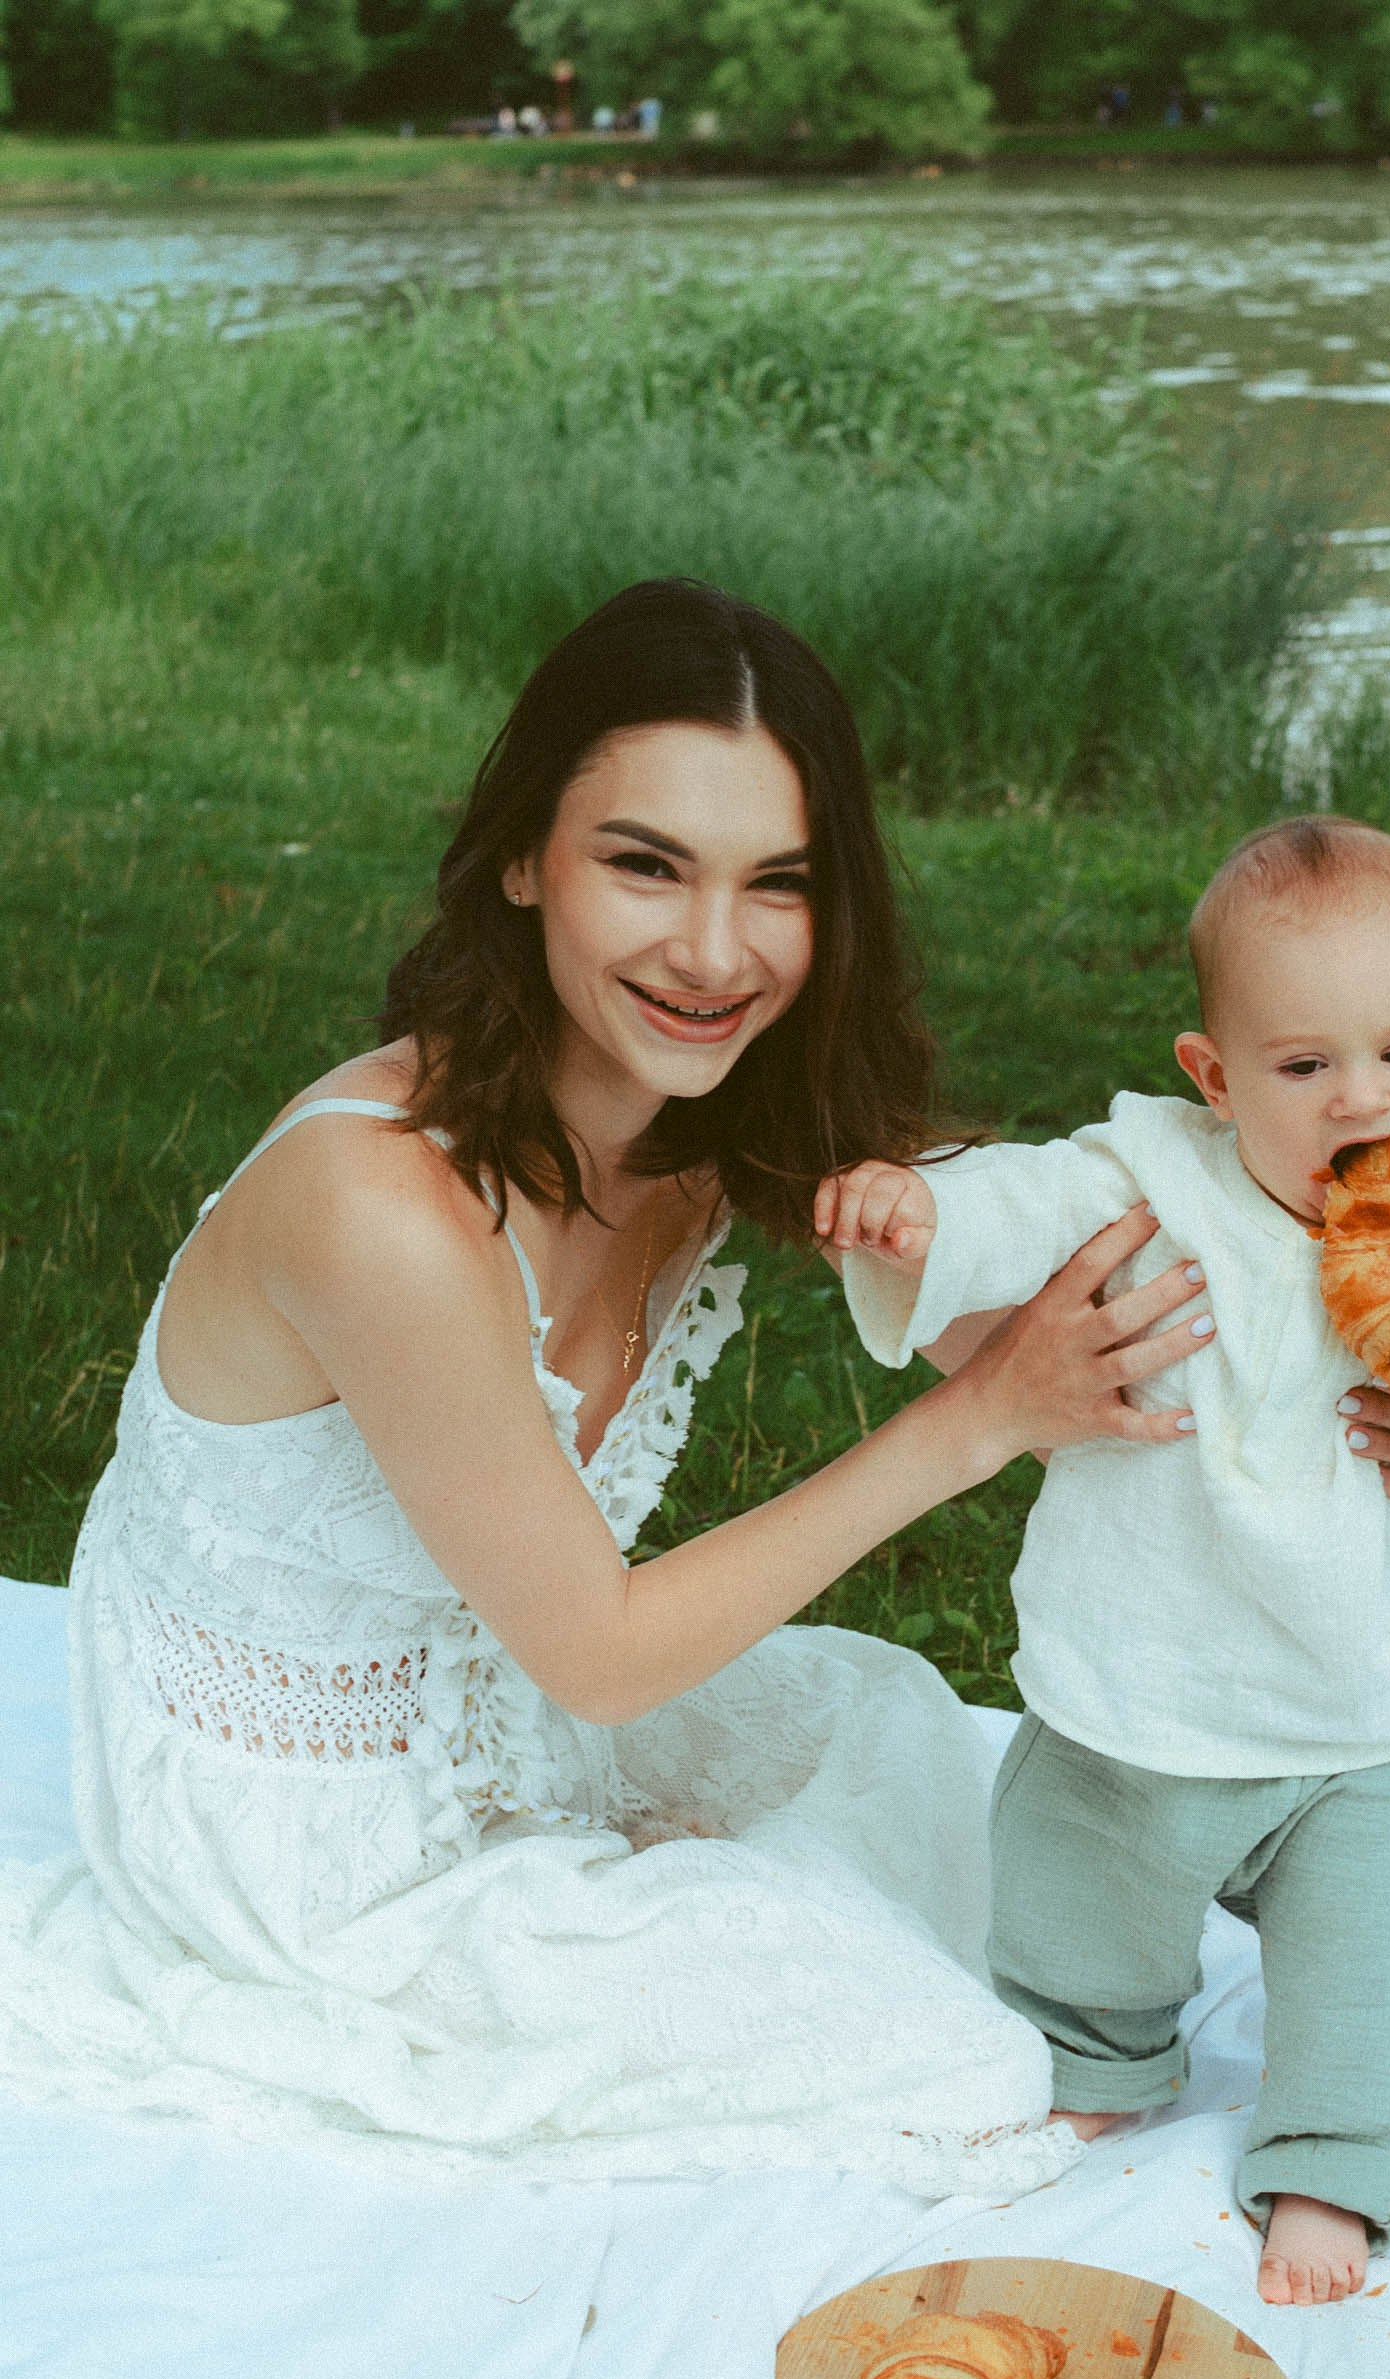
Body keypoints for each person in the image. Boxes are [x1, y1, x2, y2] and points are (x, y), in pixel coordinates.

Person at [0, 580, 1215, 2198]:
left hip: (509, 1729)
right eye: (646, 865)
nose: (712, 953)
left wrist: (1367, 1411)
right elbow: (602, 1654)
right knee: (951, 2053)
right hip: (300, 1844)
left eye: (776, 884)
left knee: (894, 1734)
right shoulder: (382, 1209)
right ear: (524, 859)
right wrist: (979, 1424)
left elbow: (1067, 1337)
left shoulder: (700, 1121)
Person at [817, 815, 1390, 2301]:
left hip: (1359, 1717)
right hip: (1145, 1677)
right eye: (1302, 1067)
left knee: (1361, 1973)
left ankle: (1331, 2151)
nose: (1360, 1097)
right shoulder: (1150, 1179)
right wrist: (925, 1217)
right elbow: (1022, 1201)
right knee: (1072, 1902)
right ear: (1215, 1076)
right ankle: (1094, 2058)